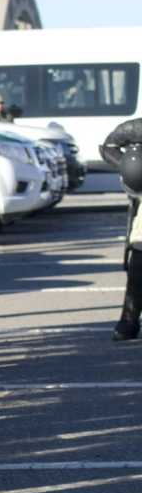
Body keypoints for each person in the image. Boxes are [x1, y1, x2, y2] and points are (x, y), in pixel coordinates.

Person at [101, 117, 142, 340]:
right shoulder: (137, 128)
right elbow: (108, 147)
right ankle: (129, 319)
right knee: (139, 258)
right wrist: (131, 166)